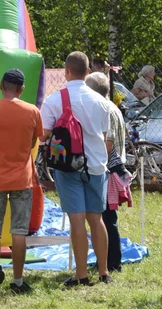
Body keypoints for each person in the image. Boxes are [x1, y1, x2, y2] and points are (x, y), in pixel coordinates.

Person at [42, 52, 112, 287]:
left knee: (76, 220)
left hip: (68, 167)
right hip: (96, 166)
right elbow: (103, 136)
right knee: (97, 219)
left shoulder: (54, 100)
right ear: (88, 72)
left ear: (66, 71)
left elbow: (44, 135)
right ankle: (104, 272)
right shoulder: (102, 102)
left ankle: (81, 274)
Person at [0, 69, 44, 296]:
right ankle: (17, 280)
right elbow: (33, 140)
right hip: (22, 178)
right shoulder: (33, 111)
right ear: (22, 89)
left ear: (0, 86)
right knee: (19, 230)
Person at [86, 72, 130, 274]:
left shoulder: (105, 110)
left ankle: (112, 262)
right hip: (113, 169)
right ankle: (108, 260)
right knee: (105, 217)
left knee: (105, 217)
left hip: (108, 170)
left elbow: (108, 145)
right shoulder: (112, 107)